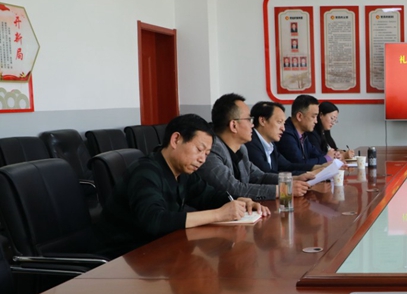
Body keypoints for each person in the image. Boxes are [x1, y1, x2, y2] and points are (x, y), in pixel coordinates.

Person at [94, 114, 268, 259]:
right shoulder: (145, 172)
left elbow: (209, 196)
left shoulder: (182, 172)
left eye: (207, 154)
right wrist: (218, 214)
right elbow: (155, 221)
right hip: (122, 260)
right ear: (176, 139)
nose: (202, 159)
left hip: (159, 251)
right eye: (199, 149)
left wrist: (238, 201)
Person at [198, 93, 310, 201]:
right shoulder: (211, 150)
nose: (252, 125)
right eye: (249, 119)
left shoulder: (241, 149)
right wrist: (284, 190)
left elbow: (260, 177)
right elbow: (233, 189)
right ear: (233, 125)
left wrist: (293, 179)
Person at [246, 101, 323, 176]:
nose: (283, 128)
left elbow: (288, 166)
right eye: (279, 122)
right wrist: (308, 174)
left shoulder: (271, 145)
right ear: (262, 121)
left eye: (284, 123)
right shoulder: (251, 144)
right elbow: (266, 175)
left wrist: (316, 167)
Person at [276, 94, 326, 168]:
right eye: (313, 116)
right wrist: (327, 158)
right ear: (299, 116)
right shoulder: (286, 134)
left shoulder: (303, 134)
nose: (316, 121)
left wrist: (332, 156)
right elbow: (300, 164)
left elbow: (316, 154)